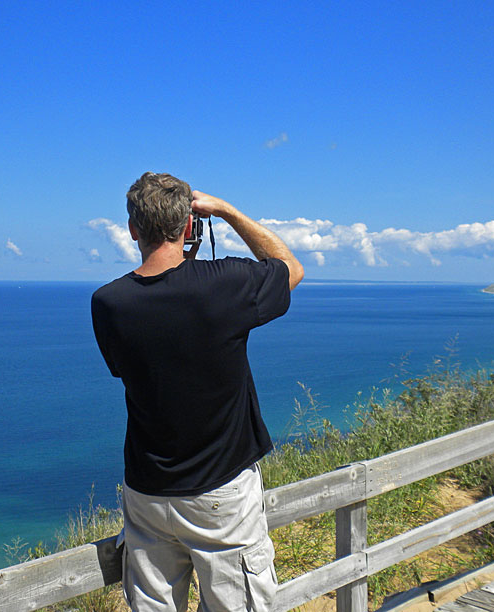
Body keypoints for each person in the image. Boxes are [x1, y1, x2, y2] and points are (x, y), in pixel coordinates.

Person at [91, 172, 303, 612]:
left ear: (132, 230)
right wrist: (227, 210)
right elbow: (290, 268)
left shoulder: (108, 303)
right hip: (220, 493)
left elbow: (122, 369)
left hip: (147, 492)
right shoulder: (226, 284)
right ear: (189, 227)